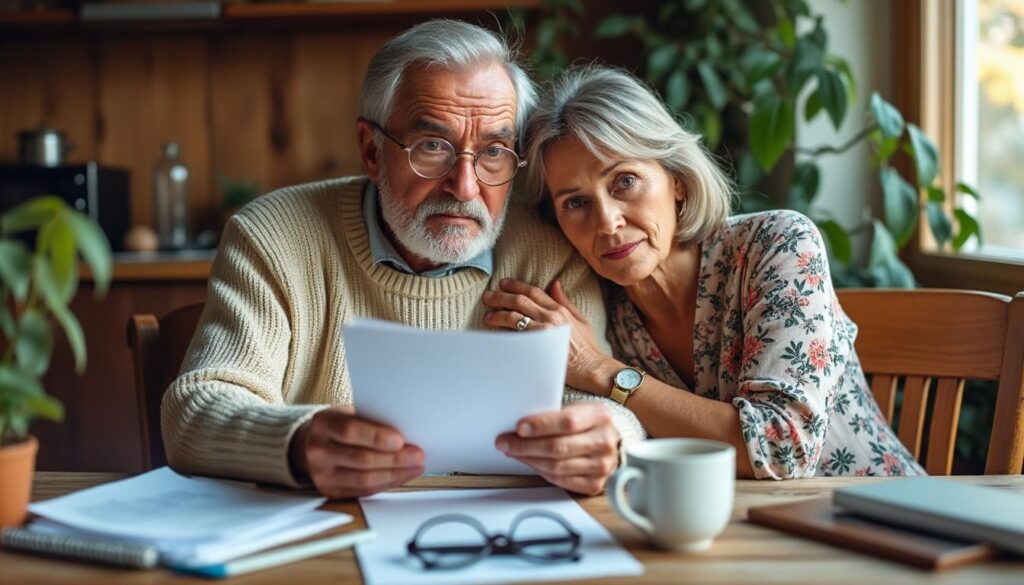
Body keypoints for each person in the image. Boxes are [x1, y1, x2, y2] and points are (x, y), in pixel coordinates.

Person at [162, 23, 646, 499]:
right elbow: (195, 411)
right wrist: (299, 442)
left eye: (494, 152)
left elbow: (604, 411)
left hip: (513, 531)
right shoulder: (274, 235)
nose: (465, 187)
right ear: (371, 151)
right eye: (433, 146)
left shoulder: (551, 250)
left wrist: (610, 441)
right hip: (333, 536)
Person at [483, 65, 925, 478]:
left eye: (625, 181)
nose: (608, 222)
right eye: (576, 203)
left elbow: (781, 449)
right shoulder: (602, 308)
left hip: (885, 514)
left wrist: (603, 371)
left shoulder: (776, 244)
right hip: (739, 528)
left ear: (676, 179)